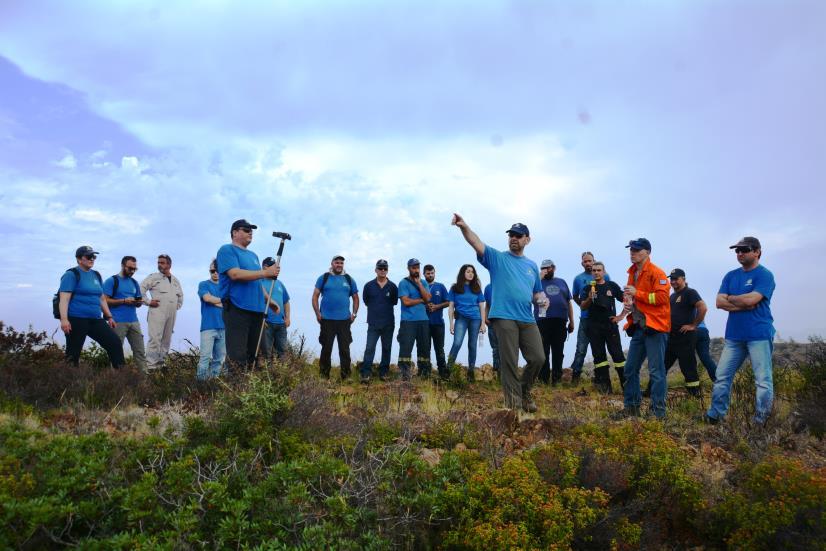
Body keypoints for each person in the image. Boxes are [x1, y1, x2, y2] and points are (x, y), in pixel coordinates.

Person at [452, 215, 546, 412]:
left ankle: (524, 391)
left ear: (527, 239)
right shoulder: (498, 259)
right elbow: (476, 243)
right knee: (509, 362)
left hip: (527, 318)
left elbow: (537, 292)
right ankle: (514, 408)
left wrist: (542, 299)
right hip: (503, 317)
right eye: (511, 235)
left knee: (538, 358)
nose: (514, 238)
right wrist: (464, 227)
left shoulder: (532, 266)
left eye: (518, 235)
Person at [705, 237, 776, 426]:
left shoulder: (764, 275)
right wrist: (741, 302)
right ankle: (715, 415)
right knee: (722, 377)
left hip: (759, 334)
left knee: (762, 380)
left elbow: (752, 300)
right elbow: (719, 302)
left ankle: (761, 421)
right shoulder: (730, 275)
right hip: (734, 336)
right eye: (737, 251)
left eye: (744, 249)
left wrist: (732, 298)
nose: (739, 253)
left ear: (757, 251)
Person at [615, 238, 671, 419]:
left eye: (637, 250)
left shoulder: (657, 273)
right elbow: (634, 298)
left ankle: (658, 412)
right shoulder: (632, 272)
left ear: (647, 252)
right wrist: (626, 308)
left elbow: (662, 298)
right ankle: (631, 407)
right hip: (639, 327)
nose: (632, 252)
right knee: (630, 369)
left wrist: (637, 294)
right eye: (631, 249)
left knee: (656, 371)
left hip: (656, 328)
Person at [216, 219, 280, 371]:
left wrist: (269, 301)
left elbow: (256, 282)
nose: (250, 232)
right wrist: (265, 272)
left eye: (251, 229)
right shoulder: (227, 250)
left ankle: (250, 392)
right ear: (234, 233)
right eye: (245, 229)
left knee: (256, 356)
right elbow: (235, 274)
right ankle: (236, 390)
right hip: (237, 309)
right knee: (237, 355)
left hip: (257, 311)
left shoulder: (253, 255)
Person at [58, 246, 124, 368]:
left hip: (95, 319)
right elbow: (64, 299)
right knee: (73, 354)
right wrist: (64, 320)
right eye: (88, 256)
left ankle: (122, 377)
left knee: (114, 343)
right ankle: (67, 383)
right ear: (79, 259)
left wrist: (109, 316)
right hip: (76, 319)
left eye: (94, 256)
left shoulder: (96, 275)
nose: (92, 259)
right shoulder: (71, 274)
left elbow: (101, 298)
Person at [658, 268, 707, 397]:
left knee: (688, 368)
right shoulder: (672, 296)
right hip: (671, 338)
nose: (673, 281)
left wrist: (694, 325)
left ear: (683, 279)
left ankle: (695, 396)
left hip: (685, 337)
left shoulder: (690, 292)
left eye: (676, 279)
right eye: (671, 279)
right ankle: (650, 392)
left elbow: (703, 307)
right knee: (661, 366)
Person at [578, 262, 626, 393]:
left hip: (610, 326)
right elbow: (582, 306)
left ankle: (627, 387)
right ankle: (605, 389)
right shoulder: (588, 288)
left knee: (618, 356)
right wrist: (589, 298)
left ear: (604, 272)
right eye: (594, 270)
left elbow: (626, 300)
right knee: (599, 358)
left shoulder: (612, 286)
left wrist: (621, 316)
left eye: (599, 270)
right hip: (594, 327)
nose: (596, 272)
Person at [566, 252, 611, 384]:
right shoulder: (578, 279)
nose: (588, 263)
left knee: (599, 349)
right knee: (581, 349)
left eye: (590, 261)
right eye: (585, 261)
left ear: (594, 261)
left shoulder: (605, 276)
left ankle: (601, 378)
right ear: (582, 263)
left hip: (601, 319)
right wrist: (582, 305)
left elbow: (609, 293)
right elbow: (574, 296)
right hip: (585, 319)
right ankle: (575, 378)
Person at [312, 255, 359, 380]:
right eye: (337, 262)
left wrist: (354, 314)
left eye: (341, 263)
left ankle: (346, 377)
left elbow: (355, 297)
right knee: (326, 349)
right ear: (332, 263)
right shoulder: (324, 278)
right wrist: (317, 313)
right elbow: (315, 296)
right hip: (327, 319)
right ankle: (324, 376)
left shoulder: (349, 279)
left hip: (344, 320)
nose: (339, 265)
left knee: (344, 349)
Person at [103, 255, 147, 371]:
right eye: (130, 268)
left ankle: (145, 382)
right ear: (122, 266)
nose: (132, 271)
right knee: (116, 352)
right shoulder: (111, 281)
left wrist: (138, 302)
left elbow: (137, 301)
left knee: (140, 352)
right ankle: (116, 382)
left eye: (134, 269)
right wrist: (123, 300)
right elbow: (104, 300)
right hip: (117, 321)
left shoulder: (134, 283)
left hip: (134, 321)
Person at [140, 254, 183, 370]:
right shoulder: (153, 277)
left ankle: (161, 365)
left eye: (162, 263)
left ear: (169, 264)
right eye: (158, 262)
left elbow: (180, 296)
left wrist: (176, 306)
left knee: (166, 340)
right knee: (155, 339)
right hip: (157, 311)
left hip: (171, 314)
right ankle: (151, 366)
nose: (159, 265)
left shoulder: (175, 280)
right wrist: (148, 302)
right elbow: (140, 290)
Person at [535, 259, 574, 385]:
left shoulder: (562, 282)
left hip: (560, 321)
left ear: (554, 268)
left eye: (548, 267)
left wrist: (572, 321)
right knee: (543, 350)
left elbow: (568, 302)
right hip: (542, 320)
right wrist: (537, 278)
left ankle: (556, 379)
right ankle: (543, 379)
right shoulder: (537, 282)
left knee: (558, 351)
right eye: (543, 268)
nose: (546, 270)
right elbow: (529, 294)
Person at [360, 259, 398, 383]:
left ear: (387, 270)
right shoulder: (368, 285)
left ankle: (384, 373)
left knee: (386, 348)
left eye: (385, 268)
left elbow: (394, 302)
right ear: (375, 270)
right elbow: (366, 301)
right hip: (373, 323)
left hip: (388, 323)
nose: (382, 270)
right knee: (370, 348)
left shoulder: (392, 286)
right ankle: (366, 373)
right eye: (380, 268)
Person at [446, 264, 486, 381]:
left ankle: (471, 371)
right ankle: (448, 369)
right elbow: (451, 306)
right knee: (457, 343)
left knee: (472, 345)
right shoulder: (455, 288)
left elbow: (481, 306)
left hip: (475, 319)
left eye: (472, 272)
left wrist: (483, 324)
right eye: (468, 271)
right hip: (461, 318)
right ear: (463, 273)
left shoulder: (477, 288)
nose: (470, 274)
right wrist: (451, 323)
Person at [397, 258, 433, 380]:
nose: (416, 269)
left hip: (423, 320)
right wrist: (421, 300)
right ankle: (404, 373)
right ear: (408, 268)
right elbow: (406, 301)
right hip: (408, 321)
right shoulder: (403, 283)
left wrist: (419, 284)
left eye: (417, 267)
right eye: (413, 267)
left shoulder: (423, 283)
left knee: (424, 348)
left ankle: (424, 373)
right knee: (406, 348)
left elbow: (428, 298)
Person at [196, 260, 226, 380]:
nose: (215, 273)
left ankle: (213, 385)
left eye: (217, 270)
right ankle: (200, 387)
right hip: (208, 327)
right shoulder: (203, 284)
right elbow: (207, 298)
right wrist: (223, 302)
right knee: (205, 358)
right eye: (212, 271)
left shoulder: (225, 286)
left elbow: (230, 304)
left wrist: (216, 301)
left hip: (224, 327)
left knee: (219, 360)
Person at [261, 256, 291, 361]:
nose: (277, 270)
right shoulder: (259, 282)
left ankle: (280, 375)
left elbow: (286, 302)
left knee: (282, 351)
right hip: (266, 323)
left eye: (278, 268)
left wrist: (287, 318)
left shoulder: (279, 284)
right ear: (265, 267)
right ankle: (266, 374)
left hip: (281, 323)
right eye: (275, 267)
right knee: (266, 352)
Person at [424, 264, 450, 379]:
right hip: (424, 323)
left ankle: (442, 372)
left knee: (439, 349)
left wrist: (437, 307)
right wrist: (425, 305)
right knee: (425, 348)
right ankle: (426, 372)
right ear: (424, 274)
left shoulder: (440, 286)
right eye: (428, 273)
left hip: (438, 323)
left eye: (432, 273)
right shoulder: (421, 286)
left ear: (434, 273)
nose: (430, 275)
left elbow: (448, 302)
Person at [484, 283, 500, 373]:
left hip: (505, 321)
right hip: (491, 322)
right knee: (495, 348)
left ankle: (506, 372)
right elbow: (487, 304)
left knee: (505, 348)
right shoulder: (488, 288)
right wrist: (485, 317)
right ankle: (496, 371)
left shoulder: (505, 284)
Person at [695, 318, 717, 382]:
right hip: (703, 330)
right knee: (706, 358)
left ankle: (694, 387)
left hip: (691, 330)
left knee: (689, 359)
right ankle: (718, 381)